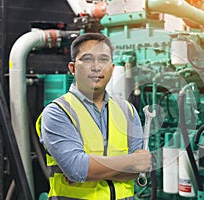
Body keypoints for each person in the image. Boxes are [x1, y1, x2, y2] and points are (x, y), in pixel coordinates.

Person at [36, 32, 151, 200]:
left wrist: (93, 170)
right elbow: (77, 169)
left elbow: (140, 168)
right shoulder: (58, 112)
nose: (96, 67)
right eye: (87, 59)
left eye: (104, 60)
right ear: (72, 68)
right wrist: (131, 162)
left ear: (112, 68)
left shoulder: (127, 110)